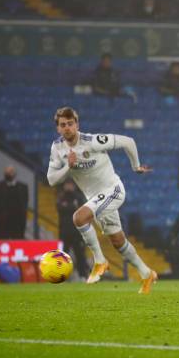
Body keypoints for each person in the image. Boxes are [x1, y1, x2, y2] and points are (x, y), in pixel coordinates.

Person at [47, 106, 157, 294]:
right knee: (118, 242)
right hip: (96, 199)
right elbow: (51, 179)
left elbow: (128, 142)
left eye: (70, 124)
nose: (67, 128)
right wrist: (68, 167)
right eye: (63, 125)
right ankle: (147, 273)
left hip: (112, 190)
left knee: (79, 218)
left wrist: (136, 166)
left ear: (77, 125)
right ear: (58, 128)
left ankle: (100, 261)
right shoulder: (57, 148)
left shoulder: (92, 141)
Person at [56, 179, 88, 279]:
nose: (69, 187)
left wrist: (68, 207)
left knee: (80, 255)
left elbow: (82, 211)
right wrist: (73, 207)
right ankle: (60, 275)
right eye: (67, 184)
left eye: (70, 184)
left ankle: (83, 275)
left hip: (77, 232)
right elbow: (60, 209)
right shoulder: (61, 197)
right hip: (64, 232)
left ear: (74, 186)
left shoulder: (79, 197)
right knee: (62, 256)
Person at [0, 166, 28, 239]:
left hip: (18, 222)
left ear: (15, 173)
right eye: (7, 172)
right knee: (2, 241)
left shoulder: (23, 187)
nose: (9, 174)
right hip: (2, 222)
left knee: (18, 242)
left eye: (11, 171)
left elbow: (25, 202)